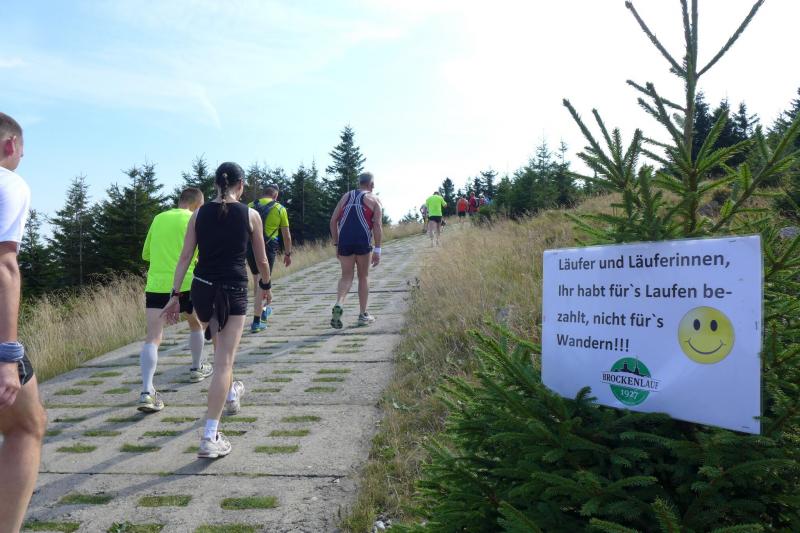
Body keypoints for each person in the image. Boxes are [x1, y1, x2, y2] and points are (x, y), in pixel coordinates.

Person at [163, 162, 271, 459]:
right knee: (223, 362)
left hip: (202, 289)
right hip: (233, 290)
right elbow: (261, 260)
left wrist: (175, 295)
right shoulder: (250, 215)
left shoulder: (198, 214)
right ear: (241, 185)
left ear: (215, 184)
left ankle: (231, 393)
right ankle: (210, 435)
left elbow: (185, 257)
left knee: (221, 352)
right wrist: (266, 285)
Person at [0, 112, 47, 532]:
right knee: (25, 428)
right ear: (10, 145)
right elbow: (4, 265)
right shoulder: (9, 183)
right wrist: (7, 355)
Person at [137, 188, 211, 414]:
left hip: (157, 284)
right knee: (196, 324)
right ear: (197, 204)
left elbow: (146, 254)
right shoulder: (195, 219)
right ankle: (196, 367)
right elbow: (203, 251)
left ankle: (147, 391)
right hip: (187, 282)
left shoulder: (159, 218)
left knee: (153, 337)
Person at [329, 172, 383, 329]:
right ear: (371, 185)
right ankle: (363, 315)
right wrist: (378, 249)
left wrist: (336, 244)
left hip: (344, 241)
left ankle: (339, 303)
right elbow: (377, 225)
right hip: (362, 241)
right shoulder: (375, 200)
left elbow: (333, 221)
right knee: (363, 277)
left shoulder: (345, 197)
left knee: (346, 276)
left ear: (359, 183)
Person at [246, 184, 292, 333]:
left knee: (257, 280)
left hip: (250, 246)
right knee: (263, 282)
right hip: (268, 246)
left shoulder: (249, 206)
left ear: (263, 193)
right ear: (275, 195)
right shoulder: (280, 208)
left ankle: (262, 310)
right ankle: (257, 320)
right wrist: (288, 254)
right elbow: (286, 235)